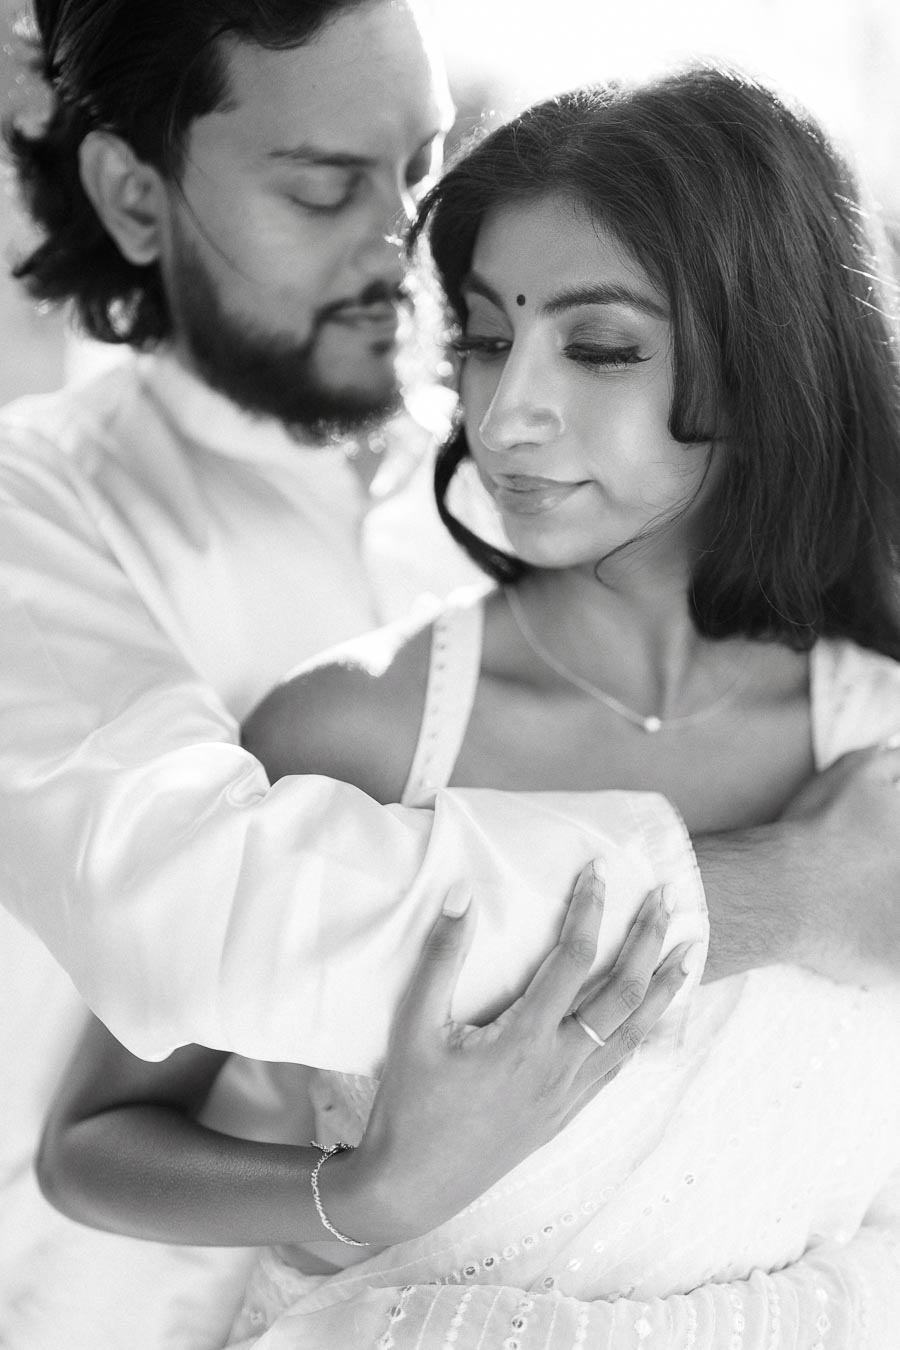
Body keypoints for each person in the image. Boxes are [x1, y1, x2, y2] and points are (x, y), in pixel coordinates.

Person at [1, 0, 899, 1342]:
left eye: (595, 346)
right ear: (137, 197)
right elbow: (147, 986)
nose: (502, 406)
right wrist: (365, 1189)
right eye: (485, 334)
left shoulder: (863, 720)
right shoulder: (325, 700)